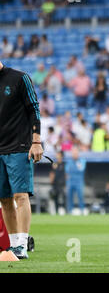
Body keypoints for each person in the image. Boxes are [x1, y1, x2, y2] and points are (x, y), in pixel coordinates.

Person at [0, 61, 43, 259]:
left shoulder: (19, 78)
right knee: (5, 200)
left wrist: (36, 141)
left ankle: (23, 245)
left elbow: (34, 109)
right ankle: (14, 245)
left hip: (19, 147)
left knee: (20, 196)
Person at [65, 147, 86, 215]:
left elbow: (81, 169)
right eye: (73, 153)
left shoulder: (82, 161)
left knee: (80, 196)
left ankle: (82, 210)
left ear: (78, 153)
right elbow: (67, 170)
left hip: (79, 181)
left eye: (76, 152)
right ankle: (69, 211)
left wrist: (75, 168)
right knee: (69, 197)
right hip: (70, 181)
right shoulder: (69, 161)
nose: (74, 154)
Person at [49, 151, 66, 215]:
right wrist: (51, 180)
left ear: (61, 156)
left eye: (58, 155)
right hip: (55, 184)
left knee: (63, 196)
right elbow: (52, 173)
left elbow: (66, 174)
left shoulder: (64, 164)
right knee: (56, 198)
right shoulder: (54, 164)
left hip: (62, 184)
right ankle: (56, 211)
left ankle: (65, 210)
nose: (57, 156)